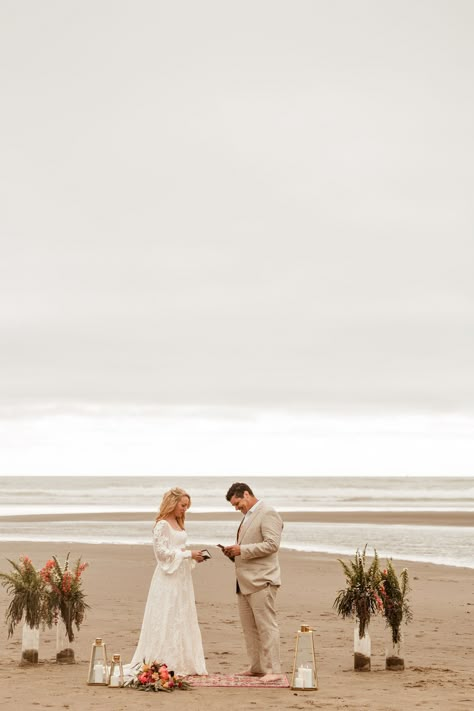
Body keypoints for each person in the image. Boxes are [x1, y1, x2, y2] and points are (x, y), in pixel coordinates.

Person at [129, 487, 208, 676]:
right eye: (183, 505)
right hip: (167, 577)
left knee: (181, 614)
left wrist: (192, 557)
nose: (185, 509)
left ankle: (183, 660)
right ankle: (163, 660)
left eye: (187, 506)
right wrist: (188, 553)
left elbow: (177, 548)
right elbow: (162, 554)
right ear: (172, 503)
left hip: (182, 577)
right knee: (167, 613)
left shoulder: (179, 523)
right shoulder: (162, 525)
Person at [222, 482, 284, 682]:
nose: (236, 508)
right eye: (234, 505)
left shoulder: (268, 513)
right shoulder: (247, 516)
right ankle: (257, 667)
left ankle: (274, 670)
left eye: (237, 503)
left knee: (266, 627)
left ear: (247, 494)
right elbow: (249, 546)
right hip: (244, 581)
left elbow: (272, 545)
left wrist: (242, 550)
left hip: (262, 580)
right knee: (249, 628)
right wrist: (233, 553)